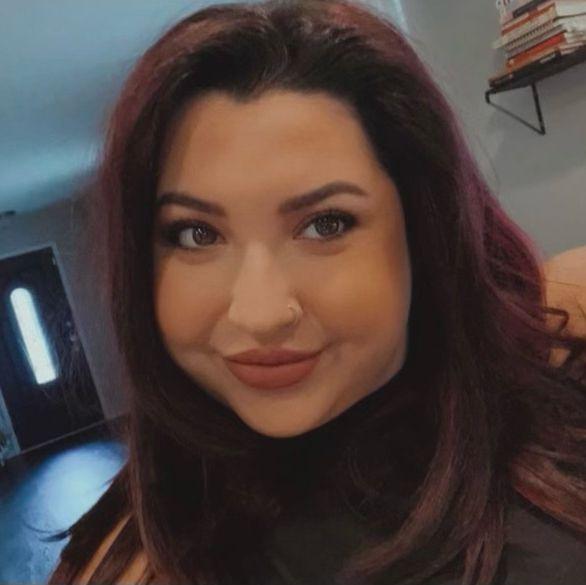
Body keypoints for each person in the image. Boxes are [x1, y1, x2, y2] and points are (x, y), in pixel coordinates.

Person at [46, 0, 586, 583]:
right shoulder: (135, 540)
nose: (260, 314)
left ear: (422, 232)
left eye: (326, 224)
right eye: (197, 234)